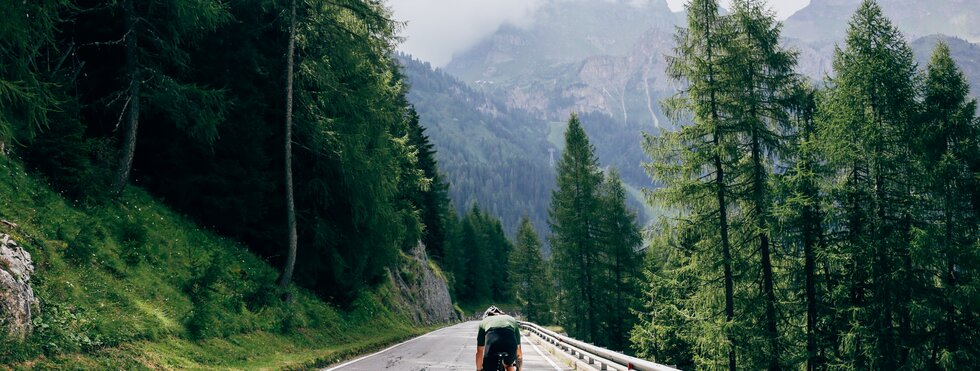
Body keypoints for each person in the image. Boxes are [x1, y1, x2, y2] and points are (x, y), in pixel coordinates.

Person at [475, 305, 523, 371]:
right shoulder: (511, 319)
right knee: (509, 365)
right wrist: (519, 369)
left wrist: (478, 369)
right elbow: (518, 349)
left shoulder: (484, 321)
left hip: (492, 342)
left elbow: (479, 351)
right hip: (510, 342)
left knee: (489, 368)